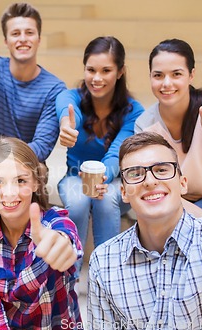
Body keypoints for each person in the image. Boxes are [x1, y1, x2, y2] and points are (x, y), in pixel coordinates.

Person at [87, 132, 202, 330]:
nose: (149, 181)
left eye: (162, 169)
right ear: (123, 192)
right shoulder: (104, 260)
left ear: (183, 184)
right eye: (135, 174)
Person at [0, 137, 83, 330]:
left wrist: (62, 244)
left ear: (36, 183)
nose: (10, 193)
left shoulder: (55, 223)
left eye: (20, 180)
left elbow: (66, 236)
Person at [56, 36, 144, 274]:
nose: (97, 78)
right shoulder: (73, 97)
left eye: (106, 70)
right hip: (75, 177)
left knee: (104, 200)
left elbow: (117, 153)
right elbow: (66, 109)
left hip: (115, 183)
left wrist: (101, 178)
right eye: (91, 70)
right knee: (78, 199)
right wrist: (66, 125)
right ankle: (69, 277)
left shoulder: (134, 111)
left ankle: (106, 276)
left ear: (120, 71)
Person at [135, 38, 202, 212]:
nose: (166, 83)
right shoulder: (144, 124)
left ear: (191, 75)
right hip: (174, 202)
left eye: (176, 74)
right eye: (158, 75)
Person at [0, 2, 66, 162]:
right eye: (15, 33)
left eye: (29, 32)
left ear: (39, 39)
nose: (23, 39)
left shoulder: (54, 88)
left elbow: (41, 147)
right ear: (6, 41)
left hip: (25, 165)